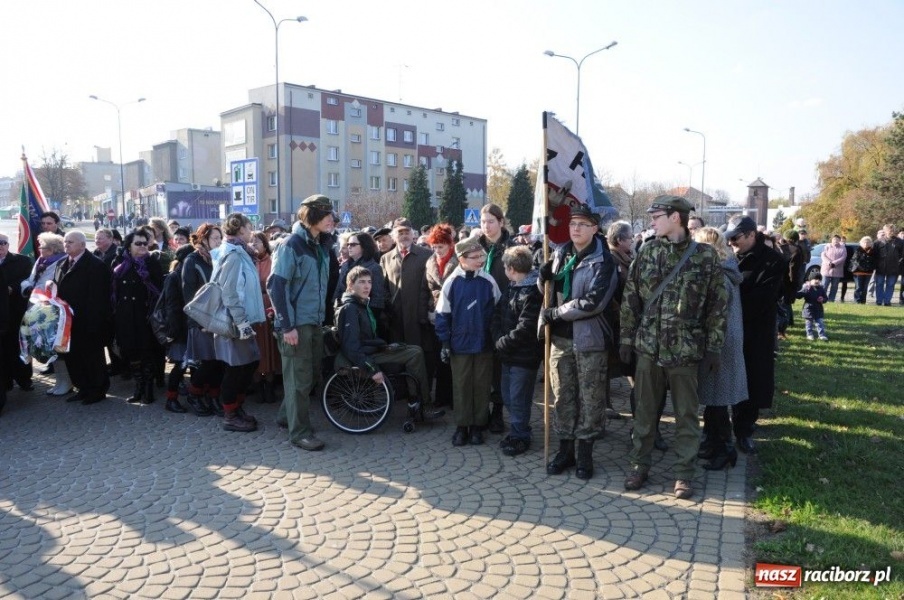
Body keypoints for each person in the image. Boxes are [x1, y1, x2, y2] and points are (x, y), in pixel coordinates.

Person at [620, 196, 727, 499]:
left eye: (656, 216)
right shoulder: (648, 251)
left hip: (685, 350)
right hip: (649, 349)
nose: (651, 221)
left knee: (686, 415)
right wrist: (627, 339)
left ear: (675, 217)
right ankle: (639, 465)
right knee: (644, 411)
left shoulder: (705, 257)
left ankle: (684, 473)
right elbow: (631, 298)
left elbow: (718, 306)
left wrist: (714, 347)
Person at [539, 205, 617, 480]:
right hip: (560, 339)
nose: (576, 228)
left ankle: (585, 453)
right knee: (563, 396)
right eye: (573, 223)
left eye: (583, 224)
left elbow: (594, 302)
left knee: (591, 399)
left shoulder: (604, 261)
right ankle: (565, 450)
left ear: (595, 228)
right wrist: (543, 277)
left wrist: (557, 313)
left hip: (589, 340)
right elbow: (551, 292)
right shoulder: (560, 254)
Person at [268, 194, 336, 452]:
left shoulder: (320, 245)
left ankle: (287, 417)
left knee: (308, 376)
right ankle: (299, 433)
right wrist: (287, 327)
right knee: (299, 379)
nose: (332, 220)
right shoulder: (291, 245)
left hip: (313, 321)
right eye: (327, 214)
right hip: (296, 325)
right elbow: (276, 286)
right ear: (313, 216)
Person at [724, 215, 786, 455]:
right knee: (725, 378)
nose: (731, 243)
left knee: (751, 381)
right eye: (728, 239)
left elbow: (761, 299)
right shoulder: (729, 256)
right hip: (728, 329)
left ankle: (744, 429)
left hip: (754, 332)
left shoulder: (773, 261)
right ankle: (718, 431)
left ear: (751, 235)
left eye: (736, 238)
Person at [435, 237, 501, 446]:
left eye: (481, 255)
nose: (480, 260)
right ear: (462, 259)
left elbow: (498, 311)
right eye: (474, 257)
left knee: (481, 385)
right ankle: (462, 426)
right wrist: (445, 342)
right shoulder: (452, 282)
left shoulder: (488, 281)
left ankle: (478, 426)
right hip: (460, 344)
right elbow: (442, 314)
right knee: (462, 385)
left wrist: (496, 337)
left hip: (484, 343)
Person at [335, 266, 431, 408]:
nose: (367, 286)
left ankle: (415, 399)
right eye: (361, 282)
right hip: (364, 357)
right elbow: (351, 347)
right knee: (414, 354)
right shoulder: (350, 308)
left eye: (369, 282)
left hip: (371, 350)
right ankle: (420, 404)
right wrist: (372, 369)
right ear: (350, 285)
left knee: (415, 349)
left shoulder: (361, 305)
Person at [693, 226, 747, 471]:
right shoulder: (726, 269)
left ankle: (725, 449)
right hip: (726, 339)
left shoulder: (720, 275)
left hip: (720, 342)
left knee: (718, 397)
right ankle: (715, 444)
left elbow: (716, 312)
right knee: (716, 398)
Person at [211, 213, 266, 432]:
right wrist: (241, 321)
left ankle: (237, 408)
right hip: (234, 321)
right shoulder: (233, 254)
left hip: (242, 319)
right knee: (237, 368)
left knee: (248, 364)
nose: (251, 231)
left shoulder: (240, 252)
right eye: (249, 226)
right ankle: (230, 415)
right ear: (240, 229)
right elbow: (229, 291)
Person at [492, 246, 542, 457]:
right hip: (507, 353)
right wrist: (497, 337)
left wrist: (503, 342)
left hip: (524, 356)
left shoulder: (532, 291)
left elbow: (527, 326)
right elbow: (497, 312)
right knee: (508, 395)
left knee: (519, 398)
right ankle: (519, 429)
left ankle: (520, 435)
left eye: (505, 266)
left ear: (511, 268)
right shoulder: (512, 287)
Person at [52, 231, 112, 405]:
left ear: (82, 245)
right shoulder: (62, 264)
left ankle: (97, 390)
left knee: (92, 358)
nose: (66, 245)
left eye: (70, 242)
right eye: (65, 242)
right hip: (68, 323)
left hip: (88, 322)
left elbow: (99, 298)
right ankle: (82, 388)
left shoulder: (95, 266)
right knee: (74, 358)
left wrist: (94, 323)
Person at [111, 229, 165, 404]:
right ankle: (138, 387)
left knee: (146, 352)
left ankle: (148, 390)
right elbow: (113, 290)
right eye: (138, 243)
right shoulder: (120, 263)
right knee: (131, 353)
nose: (142, 246)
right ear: (129, 245)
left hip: (145, 315)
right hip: (125, 316)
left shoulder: (152, 263)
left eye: (145, 243)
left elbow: (160, 291)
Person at [478, 203, 516, 434]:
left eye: (491, 221)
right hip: (479, 314)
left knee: (500, 366)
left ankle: (498, 411)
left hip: (504, 313)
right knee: (483, 364)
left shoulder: (511, 249)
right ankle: (480, 410)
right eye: (482, 222)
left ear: (501, 222)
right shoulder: (475, 248)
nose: (486, 226)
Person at [182, 223, 225, 416]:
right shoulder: (192, 260)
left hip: (219, 319)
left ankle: (214, 396)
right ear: (204, 239)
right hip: (200, 320)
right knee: (206, 362)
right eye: (215, 238)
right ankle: (194, 394)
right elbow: (189, 293)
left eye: (219, 238)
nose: (218, 241)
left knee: (218, 362)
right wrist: (201, 321)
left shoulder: (218, 258)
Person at [380, 218, 432, 352]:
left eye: (407, 232)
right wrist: (389, 308)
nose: (404, 236)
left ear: (413, 234)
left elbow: (431, 287)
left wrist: (425, 313)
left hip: (419, 318)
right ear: (393, 236)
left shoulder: (426, 255)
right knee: (397, 358)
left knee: (419, 356)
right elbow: (382, 287)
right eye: (400, 232)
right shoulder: (386, 258)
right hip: (395, 319)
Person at [425, 224, 459, 409]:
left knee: (453, 356)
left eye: (441, 246)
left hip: (454, 313)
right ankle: (441, 396)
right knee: (440, 357)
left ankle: (454, 397)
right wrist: (429, 309)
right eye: (434, 246)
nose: (437, 250)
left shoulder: (457, 261)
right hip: (436, 313)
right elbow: (427, 288)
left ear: (449, 245)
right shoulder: (430, 262)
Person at [249, 232, 281, 404]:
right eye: (251, 240)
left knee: (268, 348)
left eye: (258, 241)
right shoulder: (247, 260)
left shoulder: (272, 260)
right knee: (255, 346)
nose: (254, 243)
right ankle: (257, 384)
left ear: (265, 243)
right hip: (252, 306)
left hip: (268, 305)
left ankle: (269, 385)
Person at [0, 232, 35, 392]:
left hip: (16, 312)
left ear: (8, 245)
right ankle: (6, 381)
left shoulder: (22, 261)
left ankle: (24, 379)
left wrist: (12, 288)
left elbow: (28, 279)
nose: (0, 247)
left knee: (20, 347)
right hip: (1, 315)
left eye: (3, 243)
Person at [334, 232, 386, 336]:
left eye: (353, 244)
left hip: (365, 321)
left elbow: (377, 299)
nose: (349, 247)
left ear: (364, 246)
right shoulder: (345, 266)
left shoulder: (374, 268)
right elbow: (338, 291)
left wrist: (366, 318)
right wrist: (337, 309)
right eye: (348, 244)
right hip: (345, 315)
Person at [873, 224, 903, 306]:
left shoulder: (900, 242)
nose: (891, 232)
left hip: (894, 268)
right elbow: (874, 255)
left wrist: (898, 263)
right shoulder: (878, 242)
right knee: (879, 284)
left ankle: (887, 301)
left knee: (890, 285)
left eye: (893, 230)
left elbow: (902, 255)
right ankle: (879, 301)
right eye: (889, 230)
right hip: (880, 267)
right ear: (885, 231)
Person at [797, 273, 829, 341]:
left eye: (819, 279)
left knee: (820, 323)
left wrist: (822, 299)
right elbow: (799, 295)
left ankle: (822, 335)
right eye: (815, 279)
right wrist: (795, 291)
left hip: (818, 309)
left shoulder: (821, 289)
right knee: (809, 323)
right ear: (810, 280)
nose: (817, 281)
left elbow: (826, 298)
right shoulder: (807, 288)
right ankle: (810, 334)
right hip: (808, 309)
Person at [849, 237, 876, 304]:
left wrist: (869, 267)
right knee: (858, 287)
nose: (866, 243)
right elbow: (855, 261)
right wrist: (863, 268)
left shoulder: (873, 251)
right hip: (858, 272)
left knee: (865, 288)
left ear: (870, 243)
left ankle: (863, 301)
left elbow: (874, 262)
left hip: (868, 272)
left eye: (868, 242)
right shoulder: (858, 250)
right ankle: (857, 301)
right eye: (864, 242)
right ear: (861, 243)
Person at [820, 235, 847, 302]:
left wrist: (834, 263)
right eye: (834, 239)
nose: (835, 240)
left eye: (837, 239)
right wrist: (829, 262)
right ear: (832, 240)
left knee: (834, 286)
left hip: (837, 270)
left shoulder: (843, 248)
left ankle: (831, 299)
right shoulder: (827, 246)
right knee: (824, 285)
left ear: (839, 240)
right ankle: (822, 298)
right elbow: (823, 255)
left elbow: (843, 257)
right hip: (826, 269)